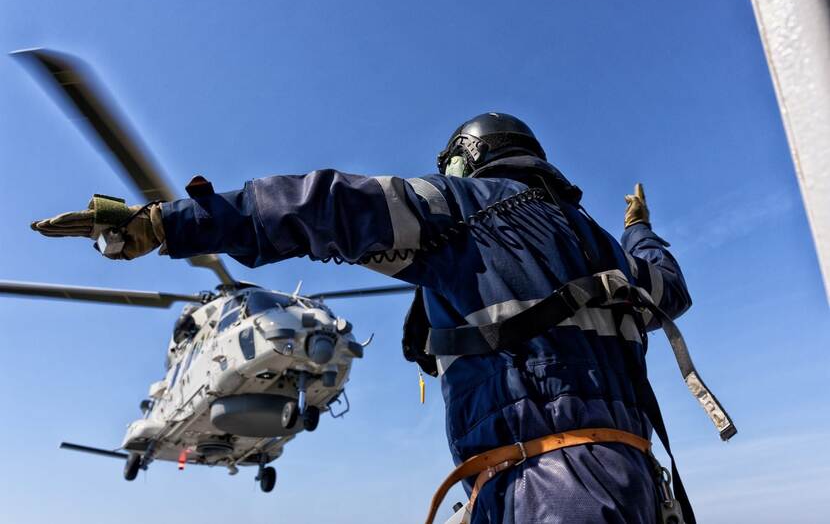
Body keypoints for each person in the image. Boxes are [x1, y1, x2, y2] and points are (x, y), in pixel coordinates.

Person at [32, 113, 695, 523]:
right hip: (635, 478)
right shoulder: (602, 244)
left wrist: (165, 223)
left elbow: (324, 206)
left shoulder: (465, 205)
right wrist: (640, 230)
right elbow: (670, 287)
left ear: (468, 159)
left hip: (538, 483)